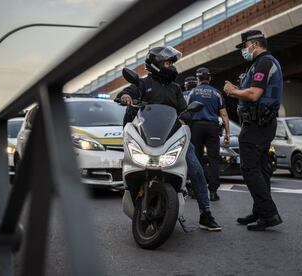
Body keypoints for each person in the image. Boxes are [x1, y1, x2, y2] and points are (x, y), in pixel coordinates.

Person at [115, 46, 221, 231]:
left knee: (195, 167)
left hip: (171, 137)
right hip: (146, 137)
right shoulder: (143, 83)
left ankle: (206, 213)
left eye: (172, 63)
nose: (171, 66)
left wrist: (186, 114)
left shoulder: (175, 88)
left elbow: (183, 110)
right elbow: (129, 91)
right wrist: (125, 96)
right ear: (155, 63)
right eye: (167, 62)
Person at [223, 30, 283, 231]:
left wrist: (232, 91)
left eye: (245, 46)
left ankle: (268, 214)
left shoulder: (265, 62)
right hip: (258, 123)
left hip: (259, 124)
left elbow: (255, 94)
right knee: (262, 169)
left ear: (254, 44)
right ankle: (260, 211)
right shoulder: (256, 65)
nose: (244, 51)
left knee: (250, 169)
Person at [187, 67, 230, 201]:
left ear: (198, 79)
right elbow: (224, 115)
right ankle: (213, 192)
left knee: (196, 159)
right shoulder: (216, 93)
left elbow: (186, 112)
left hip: (196, 127)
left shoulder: (192, 92)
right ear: (209, 78)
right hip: (212, 128)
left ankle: (195, 190)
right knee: (213, 160)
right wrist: (228, 133)